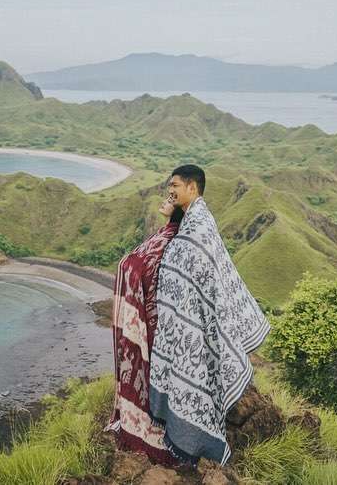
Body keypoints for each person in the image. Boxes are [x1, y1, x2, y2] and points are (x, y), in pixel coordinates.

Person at [150, 164, 271, 465]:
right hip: (189, 319)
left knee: (201, 380)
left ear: (192, 187)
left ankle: (198, 444)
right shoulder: (191, 220)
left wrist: (193, 310)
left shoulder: (201, 225)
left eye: (175, 185)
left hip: (198, 321)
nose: (171, 190)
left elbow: (205, 273)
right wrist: (169, 217)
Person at [105, 191, 186, 465]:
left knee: (147, 373)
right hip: (153, 319)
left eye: (172, 196)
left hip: (152, 322)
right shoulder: (167, 236)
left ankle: (148, 432)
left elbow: (140, 268)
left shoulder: (170, 240)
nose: (165, 199)